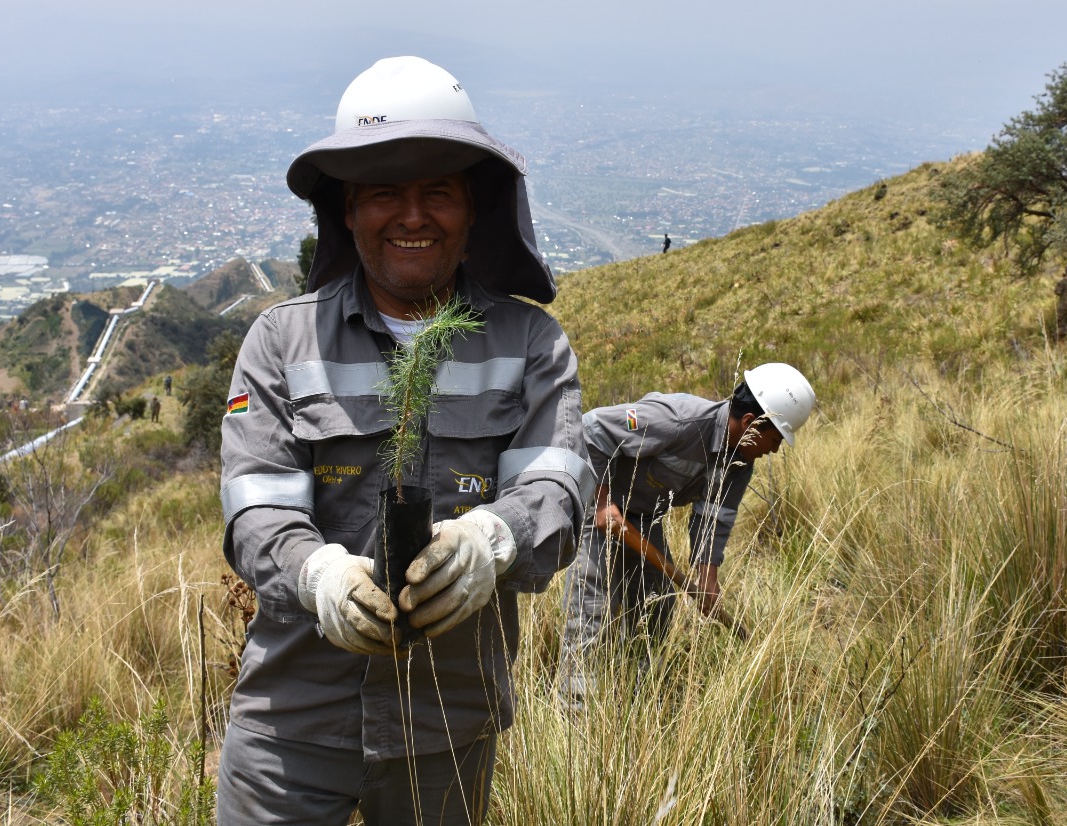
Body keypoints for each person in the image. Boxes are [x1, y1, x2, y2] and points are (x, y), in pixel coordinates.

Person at [217, 56, 593, 825]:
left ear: (474, 209)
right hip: (290, 725)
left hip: (446, 728)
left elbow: (555, 490)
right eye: (385, 192)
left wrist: (494, 539)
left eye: (437, 192)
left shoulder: (530, 345)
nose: (412, 216)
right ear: (347, 209)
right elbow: (255, 509)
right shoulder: (281, 342)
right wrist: (316, 573)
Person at [557, 363, 814, 698]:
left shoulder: (739, 463)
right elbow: (592, 429)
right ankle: (575, 713)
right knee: (593, 604)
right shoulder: (678, 420)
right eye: (776, 437)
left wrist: (707, 579)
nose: (775, 449)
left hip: (643, 516)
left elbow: (715, 518)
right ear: (751, 423)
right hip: (596, 502)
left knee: (657, 603)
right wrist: (604, 501)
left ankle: (635, 698)